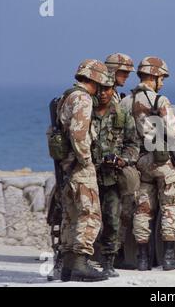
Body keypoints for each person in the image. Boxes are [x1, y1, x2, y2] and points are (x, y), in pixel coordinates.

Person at [120, 56, 175, 271]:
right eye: (162, 78)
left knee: (143, 207)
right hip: (161, 160)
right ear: (154, 76)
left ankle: (142, 259)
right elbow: (173, 131)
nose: (163, 82)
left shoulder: (125, 102)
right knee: (171, 203)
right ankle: (168, 258)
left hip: (139, 160)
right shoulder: (160, 101)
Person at [57, 59, 110, 282]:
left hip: (67, 166)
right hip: (80, 166)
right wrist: (87, 161)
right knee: (90, 214)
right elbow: (79, 135)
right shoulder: (83, 98)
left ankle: (68, 266)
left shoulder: (66, 97)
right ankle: (80, 263)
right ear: (96, 79)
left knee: (71, 215)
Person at [91, 74, 140, 277]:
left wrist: (122, 160)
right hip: (88, 175)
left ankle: (108, 262)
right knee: (86, 219)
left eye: (107, 89)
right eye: (100, 88)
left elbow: (133, 145)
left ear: (112, 89)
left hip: (111, 176)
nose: (103, 93)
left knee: (112, 219)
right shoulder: (85, 112)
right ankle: (77, 259)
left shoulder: (121, 115)